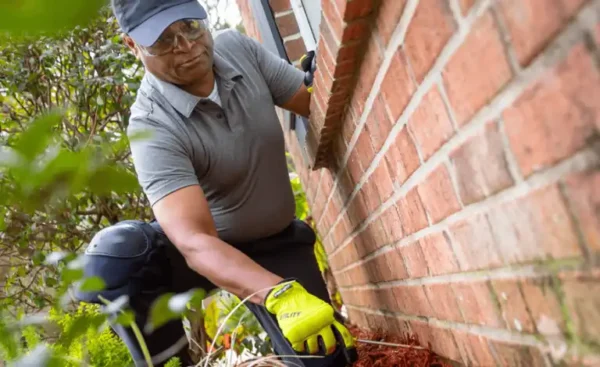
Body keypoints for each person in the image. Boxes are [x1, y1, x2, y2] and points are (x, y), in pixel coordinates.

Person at [74, 1, 357, 366]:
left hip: (276, 241)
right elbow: (194, 242)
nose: (186, 45)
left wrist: (322, 73)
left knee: (328, 356)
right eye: (163, 40)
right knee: (117, 257)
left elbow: (309, 101)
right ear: (132, 45)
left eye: (190, 27)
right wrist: (277, 294)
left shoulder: (238, 50)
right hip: (208, 250)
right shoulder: (152, 127)